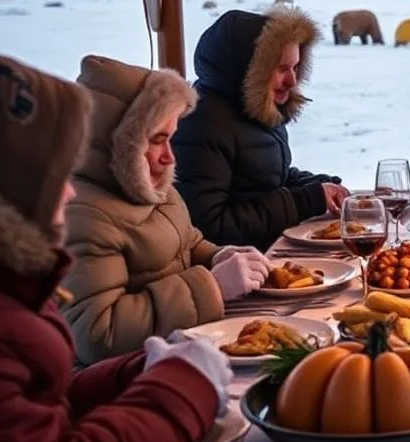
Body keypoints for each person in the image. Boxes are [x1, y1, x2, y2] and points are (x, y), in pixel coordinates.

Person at [0, 52, 232, 442]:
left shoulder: (9, 281)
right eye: (54, 171)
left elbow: (35, 401)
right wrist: (179, 387)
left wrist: (135, 373)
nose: (69, 187)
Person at [62, 56, 271, 363]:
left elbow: (187, 241)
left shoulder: (147, 183)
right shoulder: (83, 214)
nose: (170, 157)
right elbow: (96, 334)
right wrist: (212, 286)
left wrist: (219, 255)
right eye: (158, 140)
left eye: (170, 139)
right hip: (133, 381)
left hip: (185, 348)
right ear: (120, 144)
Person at [173, 5, 348, 251]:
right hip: (233, 276)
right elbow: (209, 227)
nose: (292, 81)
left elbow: (266, 180)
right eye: (281, 68)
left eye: (296, 67)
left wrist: (320, 187)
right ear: (249, 70)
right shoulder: (202, 124)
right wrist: (305, 201)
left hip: (263, 255)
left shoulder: (256, 109)